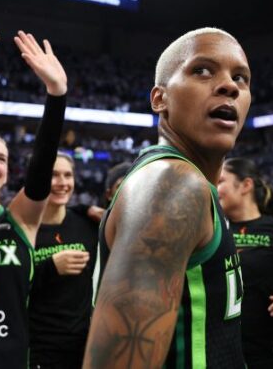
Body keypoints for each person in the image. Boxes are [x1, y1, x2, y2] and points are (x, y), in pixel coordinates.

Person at [84, 27, 251, 368]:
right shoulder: (174, 186)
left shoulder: (189, 184)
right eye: (202, 70)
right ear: (160, 99)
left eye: (240, 78)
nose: (230, 86)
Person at [0, 17, 68, 368]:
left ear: (7, 172)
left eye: (1, 158)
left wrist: (57, 95)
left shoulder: (19, 220)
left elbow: (39, 173)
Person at [217, 157, 273, 369]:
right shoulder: (210, 234)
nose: (213, 188)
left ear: (245, 185)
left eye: (220, 181)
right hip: (223, 356)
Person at [28, 153, 99, 369]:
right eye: (54, 175)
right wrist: (50, 268)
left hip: (83, 349)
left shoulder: (88, 224)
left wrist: (86, 209)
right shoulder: (25, 229)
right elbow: (12, 287)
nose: (62, 183)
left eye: (67, 175)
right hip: (40, 349)